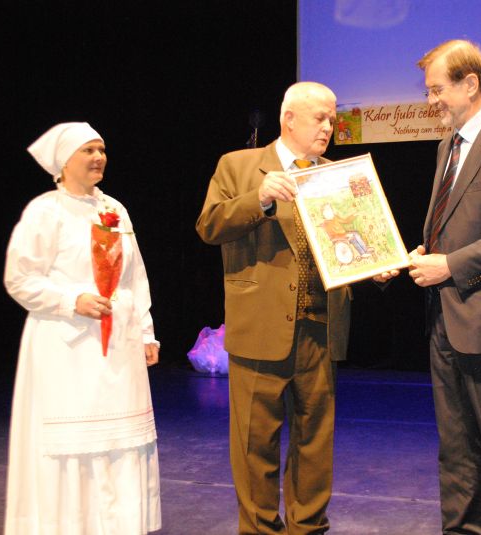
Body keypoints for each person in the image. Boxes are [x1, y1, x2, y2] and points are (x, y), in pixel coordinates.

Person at [378, 40, 481, 534]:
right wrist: (419, 255)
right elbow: (450, 228)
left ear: (470, 84)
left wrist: (449, 265)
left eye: (437, 90)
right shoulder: (446, 146)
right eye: (428, 91)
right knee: (455, 450)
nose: (431, 100)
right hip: (443, 321)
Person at [196, 81, 351, 534]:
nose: (328, 127)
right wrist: (260, 198)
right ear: (289, 119)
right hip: (260, 326)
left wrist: (373, 266)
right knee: (254, 443)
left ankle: (308, 527)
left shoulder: (338, 176)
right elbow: (209, 225)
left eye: (332, 119)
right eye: (320, 118)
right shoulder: (239, 166)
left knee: (315, 444)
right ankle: (260, 528)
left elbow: (351, 242)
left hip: (319, 328)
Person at [4, 122, 162, 534]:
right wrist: (70, 300)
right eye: (88, 150)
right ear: (63, 162)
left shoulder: (114, 209)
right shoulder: (45, 211)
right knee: (74, 441)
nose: (98, 157)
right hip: (67, 345)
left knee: (120, 440)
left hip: (117, 346)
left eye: (101, 149)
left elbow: (134, 276)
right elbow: (19, 278)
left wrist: (146, 331)